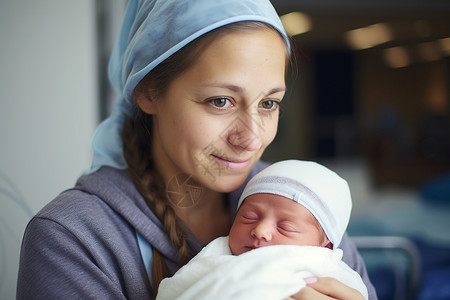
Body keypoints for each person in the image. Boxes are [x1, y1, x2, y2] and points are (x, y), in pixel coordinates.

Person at [16, 0, 377, 299]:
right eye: (220, 101)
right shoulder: (73, 239)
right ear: (148, 91)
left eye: (269, 104)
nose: (251, 137)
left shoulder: (300, 205)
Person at [156, 160, 368, 300]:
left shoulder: (326, 267)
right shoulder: (215, 256)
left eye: (285, 227)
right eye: (248, 217)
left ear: (325, 246)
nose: (260, 231)